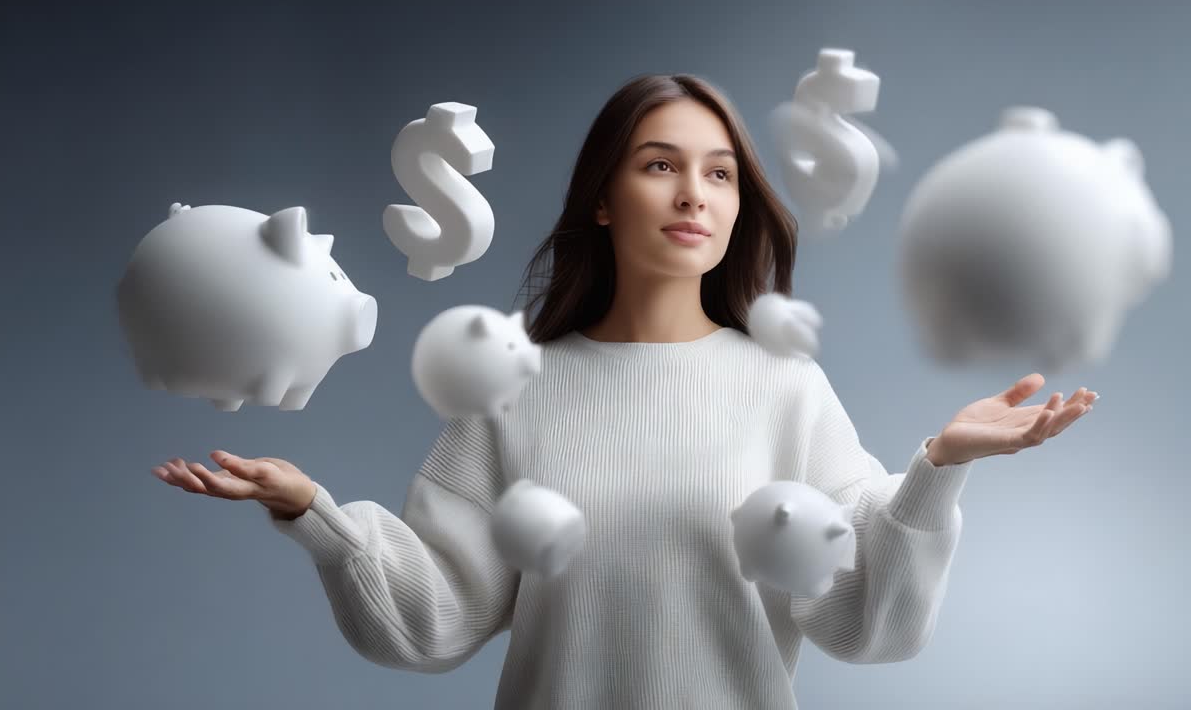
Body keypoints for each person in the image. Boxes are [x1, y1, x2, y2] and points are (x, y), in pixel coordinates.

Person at [152, 73, 1097, 709]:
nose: (696, 194)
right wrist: (317, 514)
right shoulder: (512, 389)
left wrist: (936, 467)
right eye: (661, 165)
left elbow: (863, 620)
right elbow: (436, 615)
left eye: (720, 174)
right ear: (604, 198)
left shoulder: (784, 388)